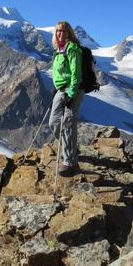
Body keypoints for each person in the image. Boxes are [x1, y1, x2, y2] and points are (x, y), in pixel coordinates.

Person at [49, 21, 84, 176]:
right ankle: (70, 147)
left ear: (69, 33)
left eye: (63, 31)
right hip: (60, 89)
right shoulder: (58, 50)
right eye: (58, 31)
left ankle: (70, 164)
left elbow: (76, 73)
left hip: (72, 90)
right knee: (54, 123)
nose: (60, 33)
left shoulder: (72, 49)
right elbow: (60, 73)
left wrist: (71, 93)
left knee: (68, 125)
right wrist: (56, 87)